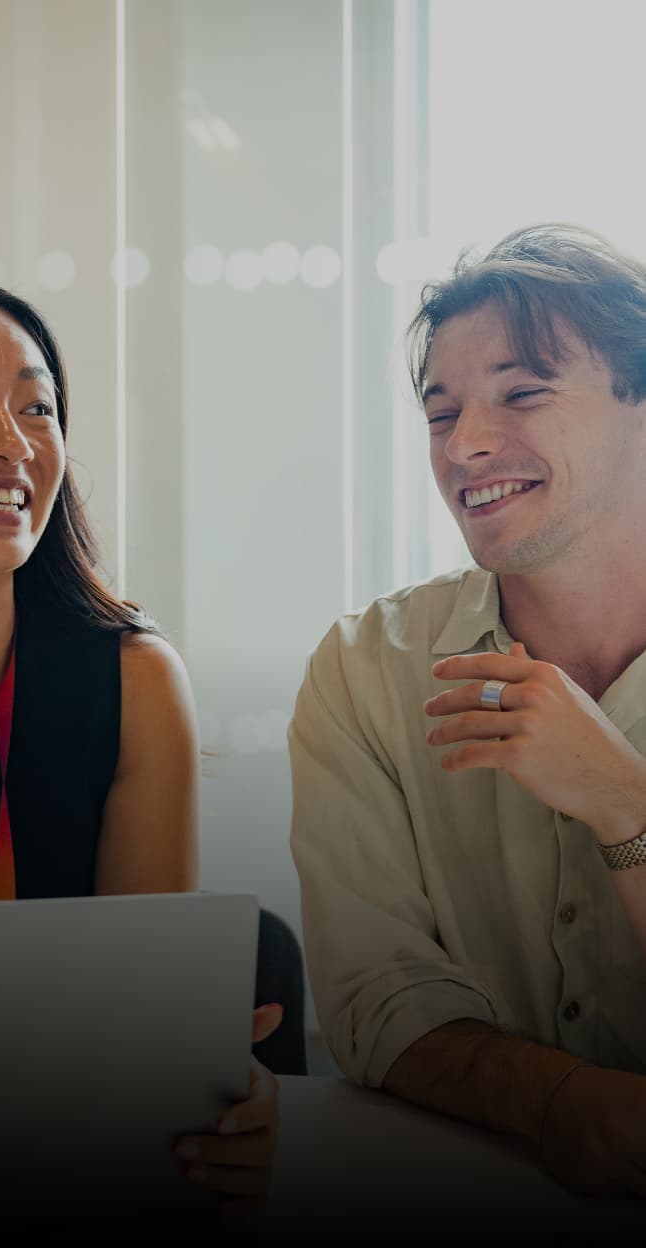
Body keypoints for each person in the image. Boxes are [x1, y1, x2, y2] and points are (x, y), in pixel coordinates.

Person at [0, 270, 279, 1219]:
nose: (11, 442)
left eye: (40, 409)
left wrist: (214, 1108)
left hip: (63, 1186)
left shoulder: (134, 679)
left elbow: (146, 1036)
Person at [289, 223, 646, 1203]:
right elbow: (378, 1001)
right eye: (441, 412)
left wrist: (624, 803)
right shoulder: (366, 670)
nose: (467, 445)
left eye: (522, 393)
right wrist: (558, 1101)